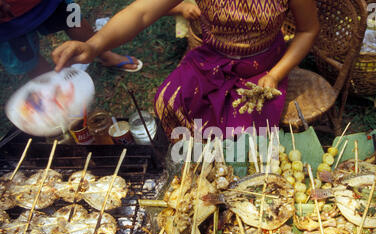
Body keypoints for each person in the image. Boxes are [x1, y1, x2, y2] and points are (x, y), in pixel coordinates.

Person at [51, 0, 319, 140]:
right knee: (169, 104)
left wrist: (275, 74)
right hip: (212, 59)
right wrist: (94, 45)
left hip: (263, 68)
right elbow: (142, 11)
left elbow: (308, 30)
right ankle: (194, 174)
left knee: (242, 133)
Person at [0, 0, 142, 78]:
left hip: (49, 2)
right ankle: (54, 88)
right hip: (5, 22)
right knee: (27, 57)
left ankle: (105, 55)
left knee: (75, 21)